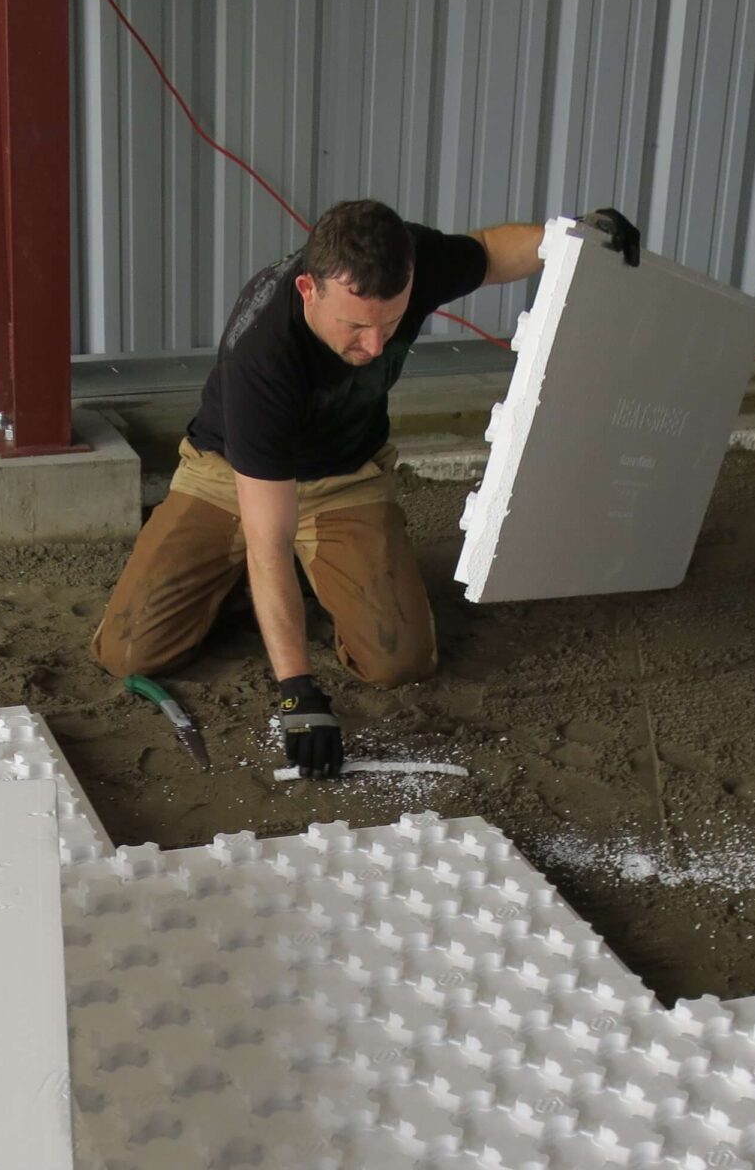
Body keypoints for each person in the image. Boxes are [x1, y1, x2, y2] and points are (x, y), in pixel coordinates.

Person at [90, 198, 642, 779]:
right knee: (130, 651)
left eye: (391, 323)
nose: (375, 347)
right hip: (232, 476)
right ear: (308, 289)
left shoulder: (407, 260)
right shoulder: (262, 358)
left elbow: (487, 253)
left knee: (398, 661)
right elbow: (269, 537)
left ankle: (308, 574)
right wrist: (297, 693)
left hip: (345, 477)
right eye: (355, 327)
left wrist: (573, 237)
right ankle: (244, 580)